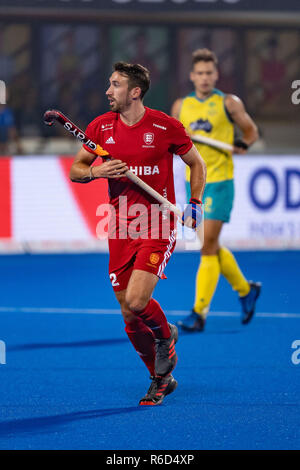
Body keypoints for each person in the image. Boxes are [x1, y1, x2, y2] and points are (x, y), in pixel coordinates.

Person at [70, 62, 206, 405]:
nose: (107, 91)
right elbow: (77, 170)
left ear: (135, 91)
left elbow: (197, 164)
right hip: (119, 225)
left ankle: (165, 339)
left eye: (114, 84)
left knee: (137, 300)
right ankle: (160, 378)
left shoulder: (165, 126)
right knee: (129, 316)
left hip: (158, 222)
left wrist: (194, 202)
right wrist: (99, 171)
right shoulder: (101, 127)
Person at [171, 48, 261, 332]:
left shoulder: (229, 103)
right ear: (192, 76)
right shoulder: (180, 107)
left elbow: (251, 131)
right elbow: (173, 142)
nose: (205, 78)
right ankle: (246, 289)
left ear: (216, 75)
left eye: (209, 73)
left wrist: (243, 144)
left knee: (207, 246)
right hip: (193, 182)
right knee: (210, 245)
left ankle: (199, 313)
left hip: (220, 181)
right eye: (200, 73)